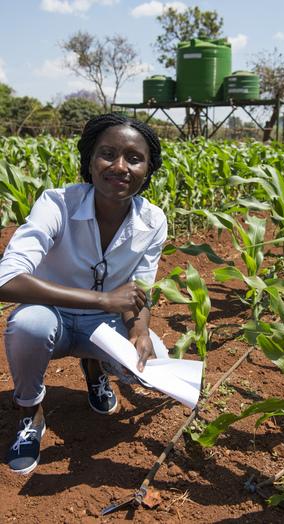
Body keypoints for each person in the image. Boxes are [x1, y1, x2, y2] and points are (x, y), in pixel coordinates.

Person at [0, 113, 168, 475]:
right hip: (52, 317)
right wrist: (105, 300)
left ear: (148, 168)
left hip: (102, 326)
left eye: (134, 158)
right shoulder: (57, 203)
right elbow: (6, 280)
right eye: (107, 154)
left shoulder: (153, 221)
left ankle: (95, 370)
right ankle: (31, 414)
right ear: (89, 161)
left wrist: (138, 333)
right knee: (28, 324)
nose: (120, 166)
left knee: (151, 361)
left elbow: (138, 292)